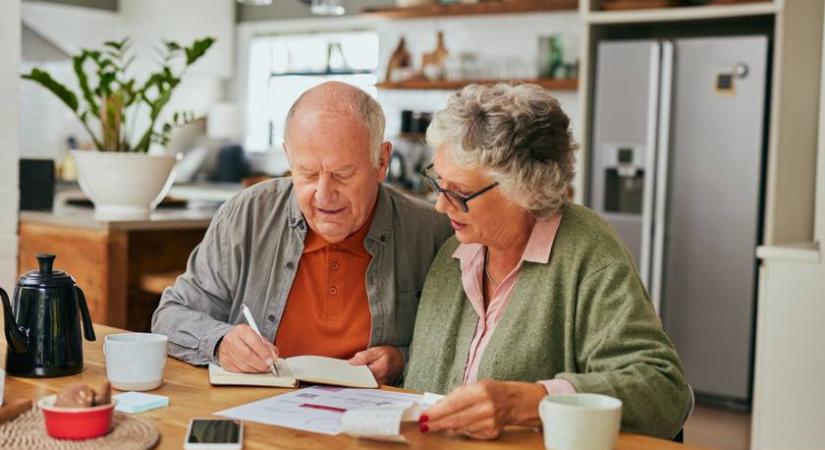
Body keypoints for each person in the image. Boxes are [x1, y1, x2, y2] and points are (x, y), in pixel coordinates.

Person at [404, 83, 691, 439]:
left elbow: (663, 389)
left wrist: (532, 401)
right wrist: (398, 359)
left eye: (460, 193)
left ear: (524, 188)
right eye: (439, 183)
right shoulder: (455, 252)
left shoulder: (587, 252)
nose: (441, 205)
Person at [152, 82, 453, 385]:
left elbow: (463, 353)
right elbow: (170, 316)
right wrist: (219, 342)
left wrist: (403, 359)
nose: (324, 196)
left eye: (343, 174)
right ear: (288, 157)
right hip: (258, 409)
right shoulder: (247, 214)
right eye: (307, 173)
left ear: (382, 161)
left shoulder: (433, 232)